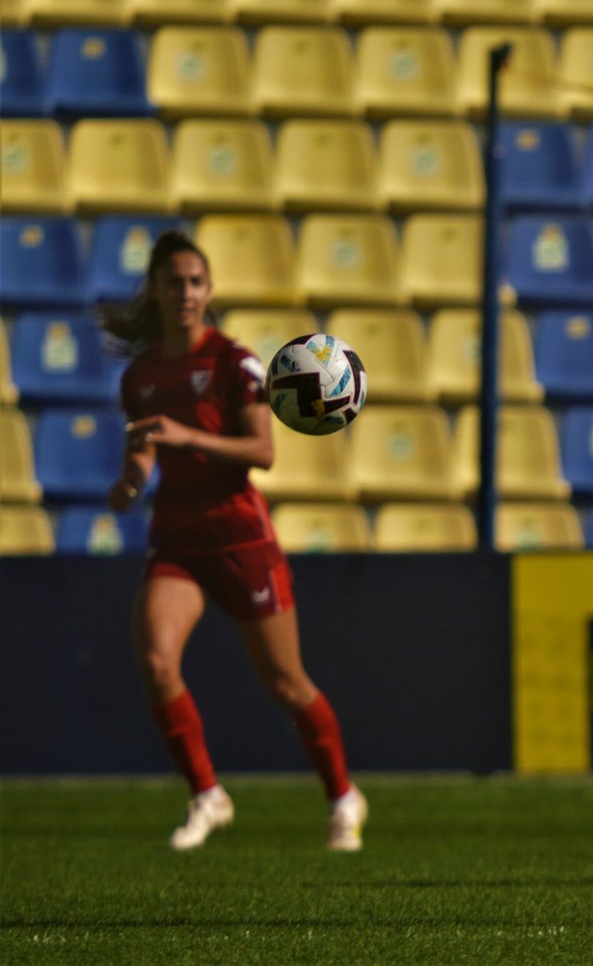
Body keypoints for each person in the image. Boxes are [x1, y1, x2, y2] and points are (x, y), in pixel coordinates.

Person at [103, 230, 367, 852]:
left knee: (285, 682)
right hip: (177, 539)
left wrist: (188, 437)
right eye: (175, 282)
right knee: (157, 661)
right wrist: (130, 482)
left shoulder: (234, 363)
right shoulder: (141, 375)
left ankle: (342, 796)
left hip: (240, 538)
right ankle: (207, 794)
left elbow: (263, 452)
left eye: (197, 282)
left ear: (209, 290)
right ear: (158, 291)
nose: (186, 293)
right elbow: (144, 449)